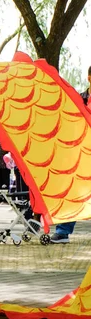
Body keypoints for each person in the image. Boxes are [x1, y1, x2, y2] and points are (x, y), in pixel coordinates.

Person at [51, 66, 91, 244]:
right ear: (89, 78)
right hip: (80, 153)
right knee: (71, 190)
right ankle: (62, 231)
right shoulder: (78, 100)